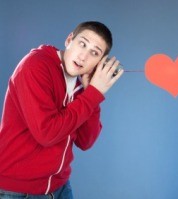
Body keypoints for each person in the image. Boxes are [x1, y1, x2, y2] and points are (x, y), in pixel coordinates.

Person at [0, 21, 123, 198]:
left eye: (94, 53)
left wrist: (91, 94)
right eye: (82, 44)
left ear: (99, 62)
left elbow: (85, 141)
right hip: (17, 191)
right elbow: (47, 133)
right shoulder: (35, 65)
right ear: (69, 40)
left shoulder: (81, 86)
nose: (83, 56)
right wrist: (93, 94)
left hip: (60, 188)